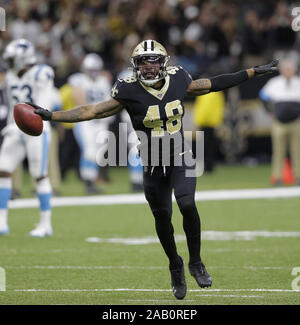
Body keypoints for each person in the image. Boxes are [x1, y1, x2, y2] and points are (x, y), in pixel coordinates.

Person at [33, 40, 278, 299]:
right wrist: (52, 116)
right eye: (142, 62)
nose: (148, 67)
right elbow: (92, 110)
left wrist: (251, 72)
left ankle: (196, 262)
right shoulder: (127, 89)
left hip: (180, 155)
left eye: (153, 61)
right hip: (151, 162)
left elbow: (212, 84)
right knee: (162, 219)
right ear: (135, 65)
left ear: (164, 63)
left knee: (187, 204)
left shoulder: (179, 77)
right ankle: (175, 265)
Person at [0, 39, 54, 237]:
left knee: (39, 175)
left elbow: (44, 106)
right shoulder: (11, 76)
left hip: (37, 130)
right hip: (15, 128)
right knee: (3, 170)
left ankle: (45, 224)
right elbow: (11, 105)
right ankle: (2, 221)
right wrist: (9, 126)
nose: (9, 62)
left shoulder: (42, 73)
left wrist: (34, 124)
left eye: (12, 59)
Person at [69, 53, 113, 194]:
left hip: (101, 121)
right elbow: (79, 100)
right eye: (90, 69)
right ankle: (88, 182)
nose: (93, 72)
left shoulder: (103, 81)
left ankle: (92, 181)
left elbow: (109, 100)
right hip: (85, 121)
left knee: (97, 153)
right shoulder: (78, 80)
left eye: (95, 69)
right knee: (89, 150)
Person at [259, 58, 300, 185]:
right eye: (286, 69)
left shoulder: (298, 83)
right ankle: (277, 177)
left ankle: (298, 176)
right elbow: (263, 96)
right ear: (282, 71)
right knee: (278, 151)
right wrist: (270, 113)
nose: (288, 71)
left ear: (294, 70)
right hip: (279, 123)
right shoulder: (274, 83)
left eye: (290, 69)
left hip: (296, 122)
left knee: (297, 151)